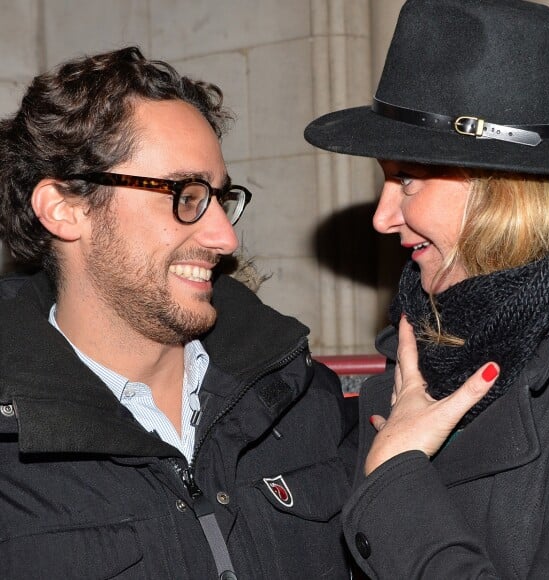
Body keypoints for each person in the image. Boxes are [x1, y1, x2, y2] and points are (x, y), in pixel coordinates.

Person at [0, 46, 356, 579]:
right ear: (66, 208)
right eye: (184, 195)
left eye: (220, 197)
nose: (224, 236)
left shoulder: (300, 398)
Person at [304, 0, 549, 577]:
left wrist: (396, 476)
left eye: (407, 179)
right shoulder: (426, 343)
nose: (381, 218)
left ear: (505, 190)